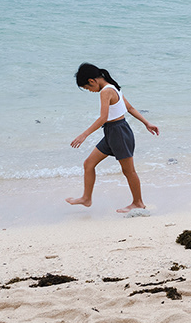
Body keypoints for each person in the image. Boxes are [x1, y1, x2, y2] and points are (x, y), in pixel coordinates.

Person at [66, 62, 160, 212]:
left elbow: (103, 118)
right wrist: (147, 123)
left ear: (92, 81)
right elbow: (129, 108)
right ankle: (86, 198)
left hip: (119, 133)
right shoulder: (113, 86)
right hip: (112, 133)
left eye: (88, 88)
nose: (90, 91)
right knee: (88, 164)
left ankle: (138, 203)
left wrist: (84, 135)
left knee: (129, 171)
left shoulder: (106, 91)